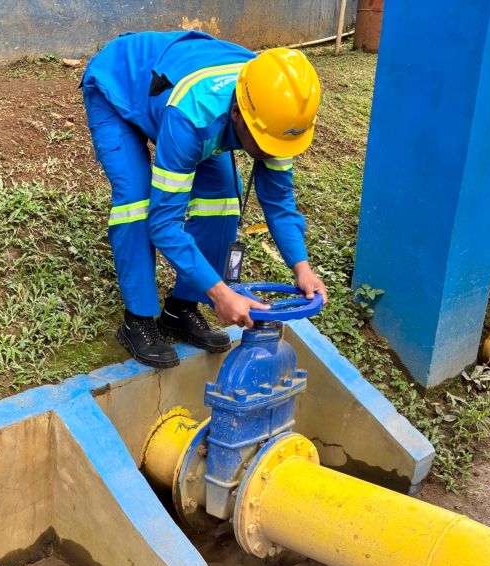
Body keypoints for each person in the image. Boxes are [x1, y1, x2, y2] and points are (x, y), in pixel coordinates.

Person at [82, 31, 328, 368]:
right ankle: (137, 319)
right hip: (119, 87)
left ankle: (180, 308)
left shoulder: (276, 118)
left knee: (224, 199)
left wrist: (302, 267)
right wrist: (221, 293)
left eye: (278, 147)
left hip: (171, 95)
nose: (271, 154)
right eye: (263, 144)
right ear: (239, 114)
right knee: (136, 204)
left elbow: (279, 200)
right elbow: (164, 223)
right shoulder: (193, 115)